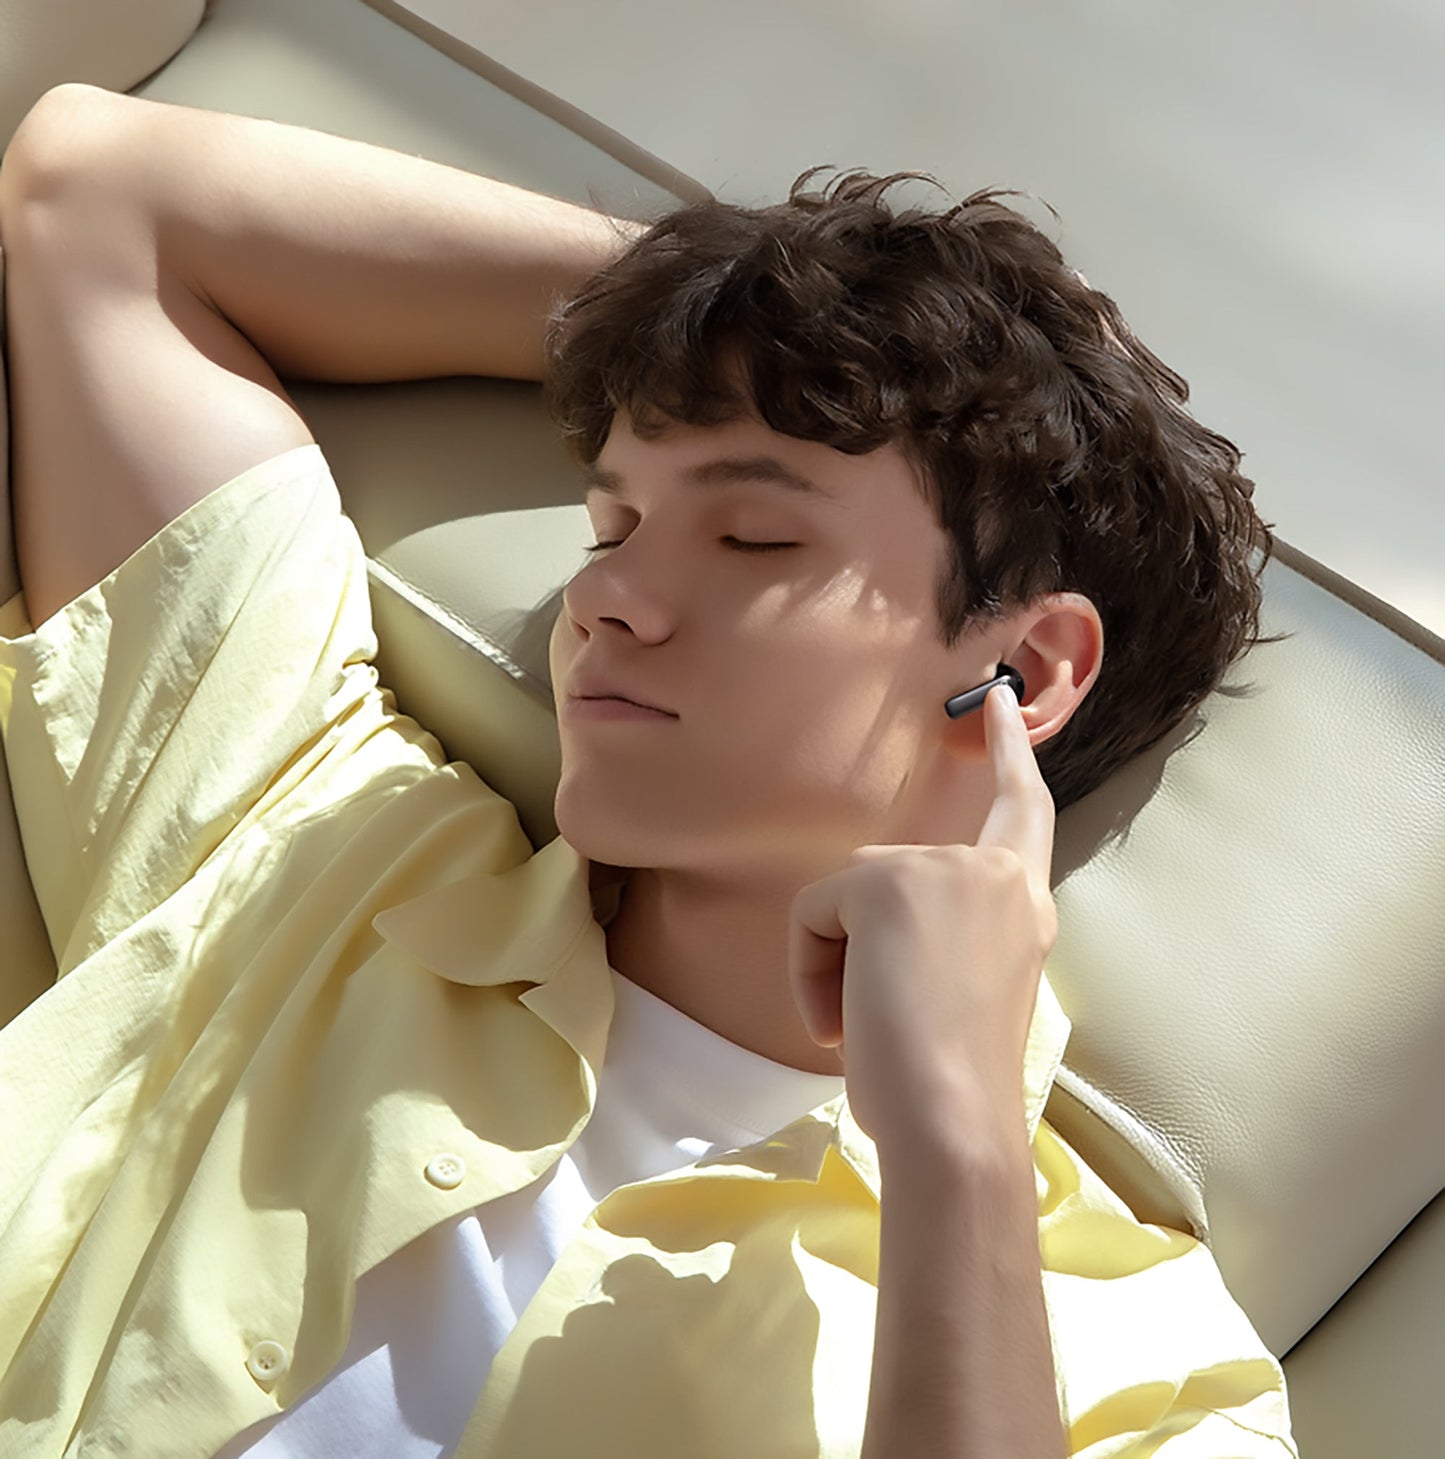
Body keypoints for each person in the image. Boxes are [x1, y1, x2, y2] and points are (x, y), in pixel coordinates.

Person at [0, 82, 1298, 1457]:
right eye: (610, 524)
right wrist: (746, 307)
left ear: (1022, 674)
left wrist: (956, 1151)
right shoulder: (310, 836)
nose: (607, 600)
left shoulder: (1149, 1368)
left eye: (751, 540)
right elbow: (99, 198)